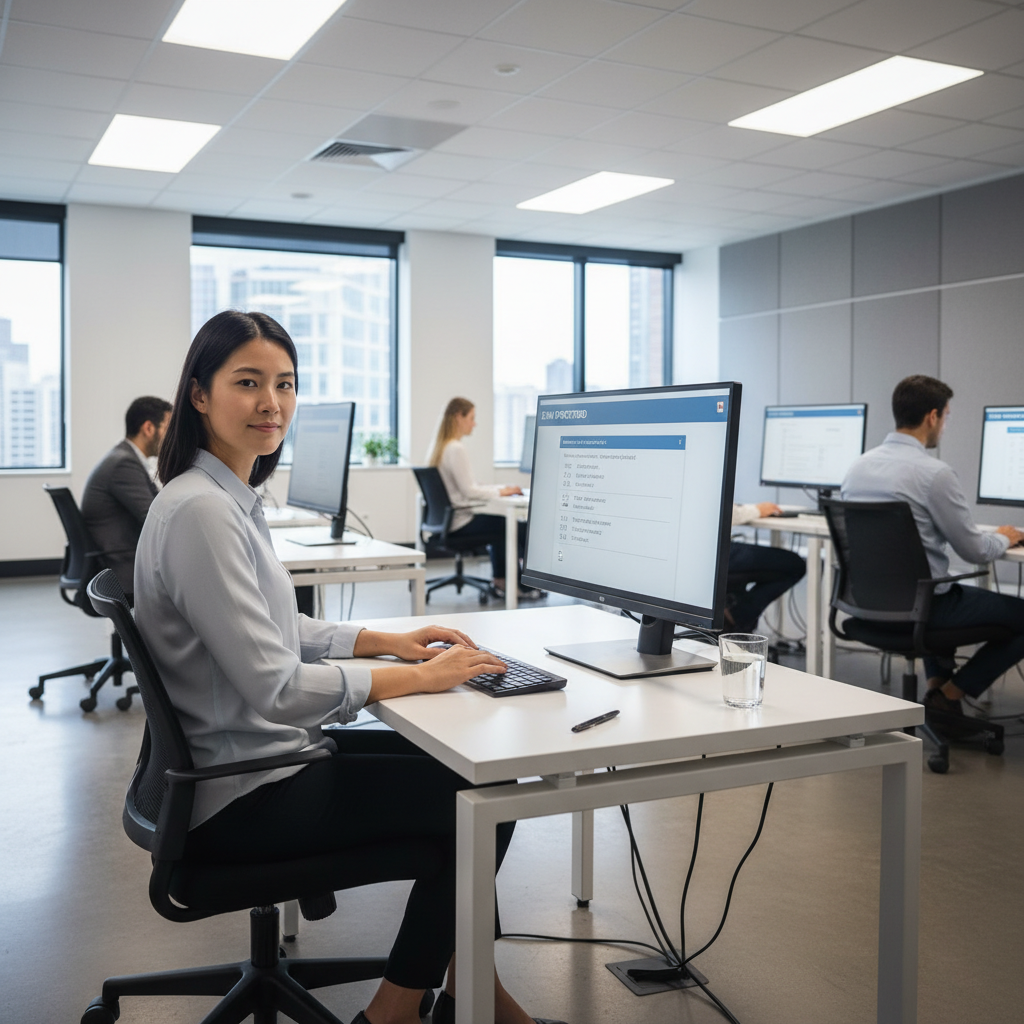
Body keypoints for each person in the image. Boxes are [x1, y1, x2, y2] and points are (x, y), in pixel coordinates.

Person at [136, 311, 564, 1024]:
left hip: (241, 763)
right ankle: (399, 1012)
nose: (271, 402)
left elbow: (277, 630)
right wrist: (421, 677)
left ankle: (467, 994)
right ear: (200, 396)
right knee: (480, 804)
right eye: (247, 382)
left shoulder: (223, 499)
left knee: (477, 773)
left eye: (285, 384)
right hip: (243, 794)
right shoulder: (200, 513)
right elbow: (276, 687)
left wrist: (380, 641)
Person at [842, 374, 1024, 718]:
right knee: (947, 590)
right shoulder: (934, 473)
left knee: (935, 583)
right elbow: (975, 551)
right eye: (947, 416)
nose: (945, 425)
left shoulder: (857, 468)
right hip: (921, 611)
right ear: (932, 417)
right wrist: (1005, 537)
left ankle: (935, 687)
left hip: (866, 607)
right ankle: (952, 694)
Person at [428, 397, 540, 600]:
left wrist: (501, 489)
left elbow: (472, 486)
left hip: (446, 522)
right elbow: (470, 491)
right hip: (461, 522)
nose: (474, 423)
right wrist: (502, 492)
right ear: (458, 417)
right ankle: (517, 585)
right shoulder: (456, 448)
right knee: (513, 527)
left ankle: (502, 581)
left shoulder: (440, 448)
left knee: (501, 525)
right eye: (471, 418)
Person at [81, 395, 172, 595]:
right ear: (149, 428)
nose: (172, 436)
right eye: (168, 428)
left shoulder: (123, 457)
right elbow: (153, 518)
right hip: (122, 563)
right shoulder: (123, 464)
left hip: (119, 556)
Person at [727, 502, 806, 634]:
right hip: (715, 553)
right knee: (795, 565)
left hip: (698, 555)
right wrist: (757, 510)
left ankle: (732, 615)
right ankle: (737, 616)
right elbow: (722, 514)